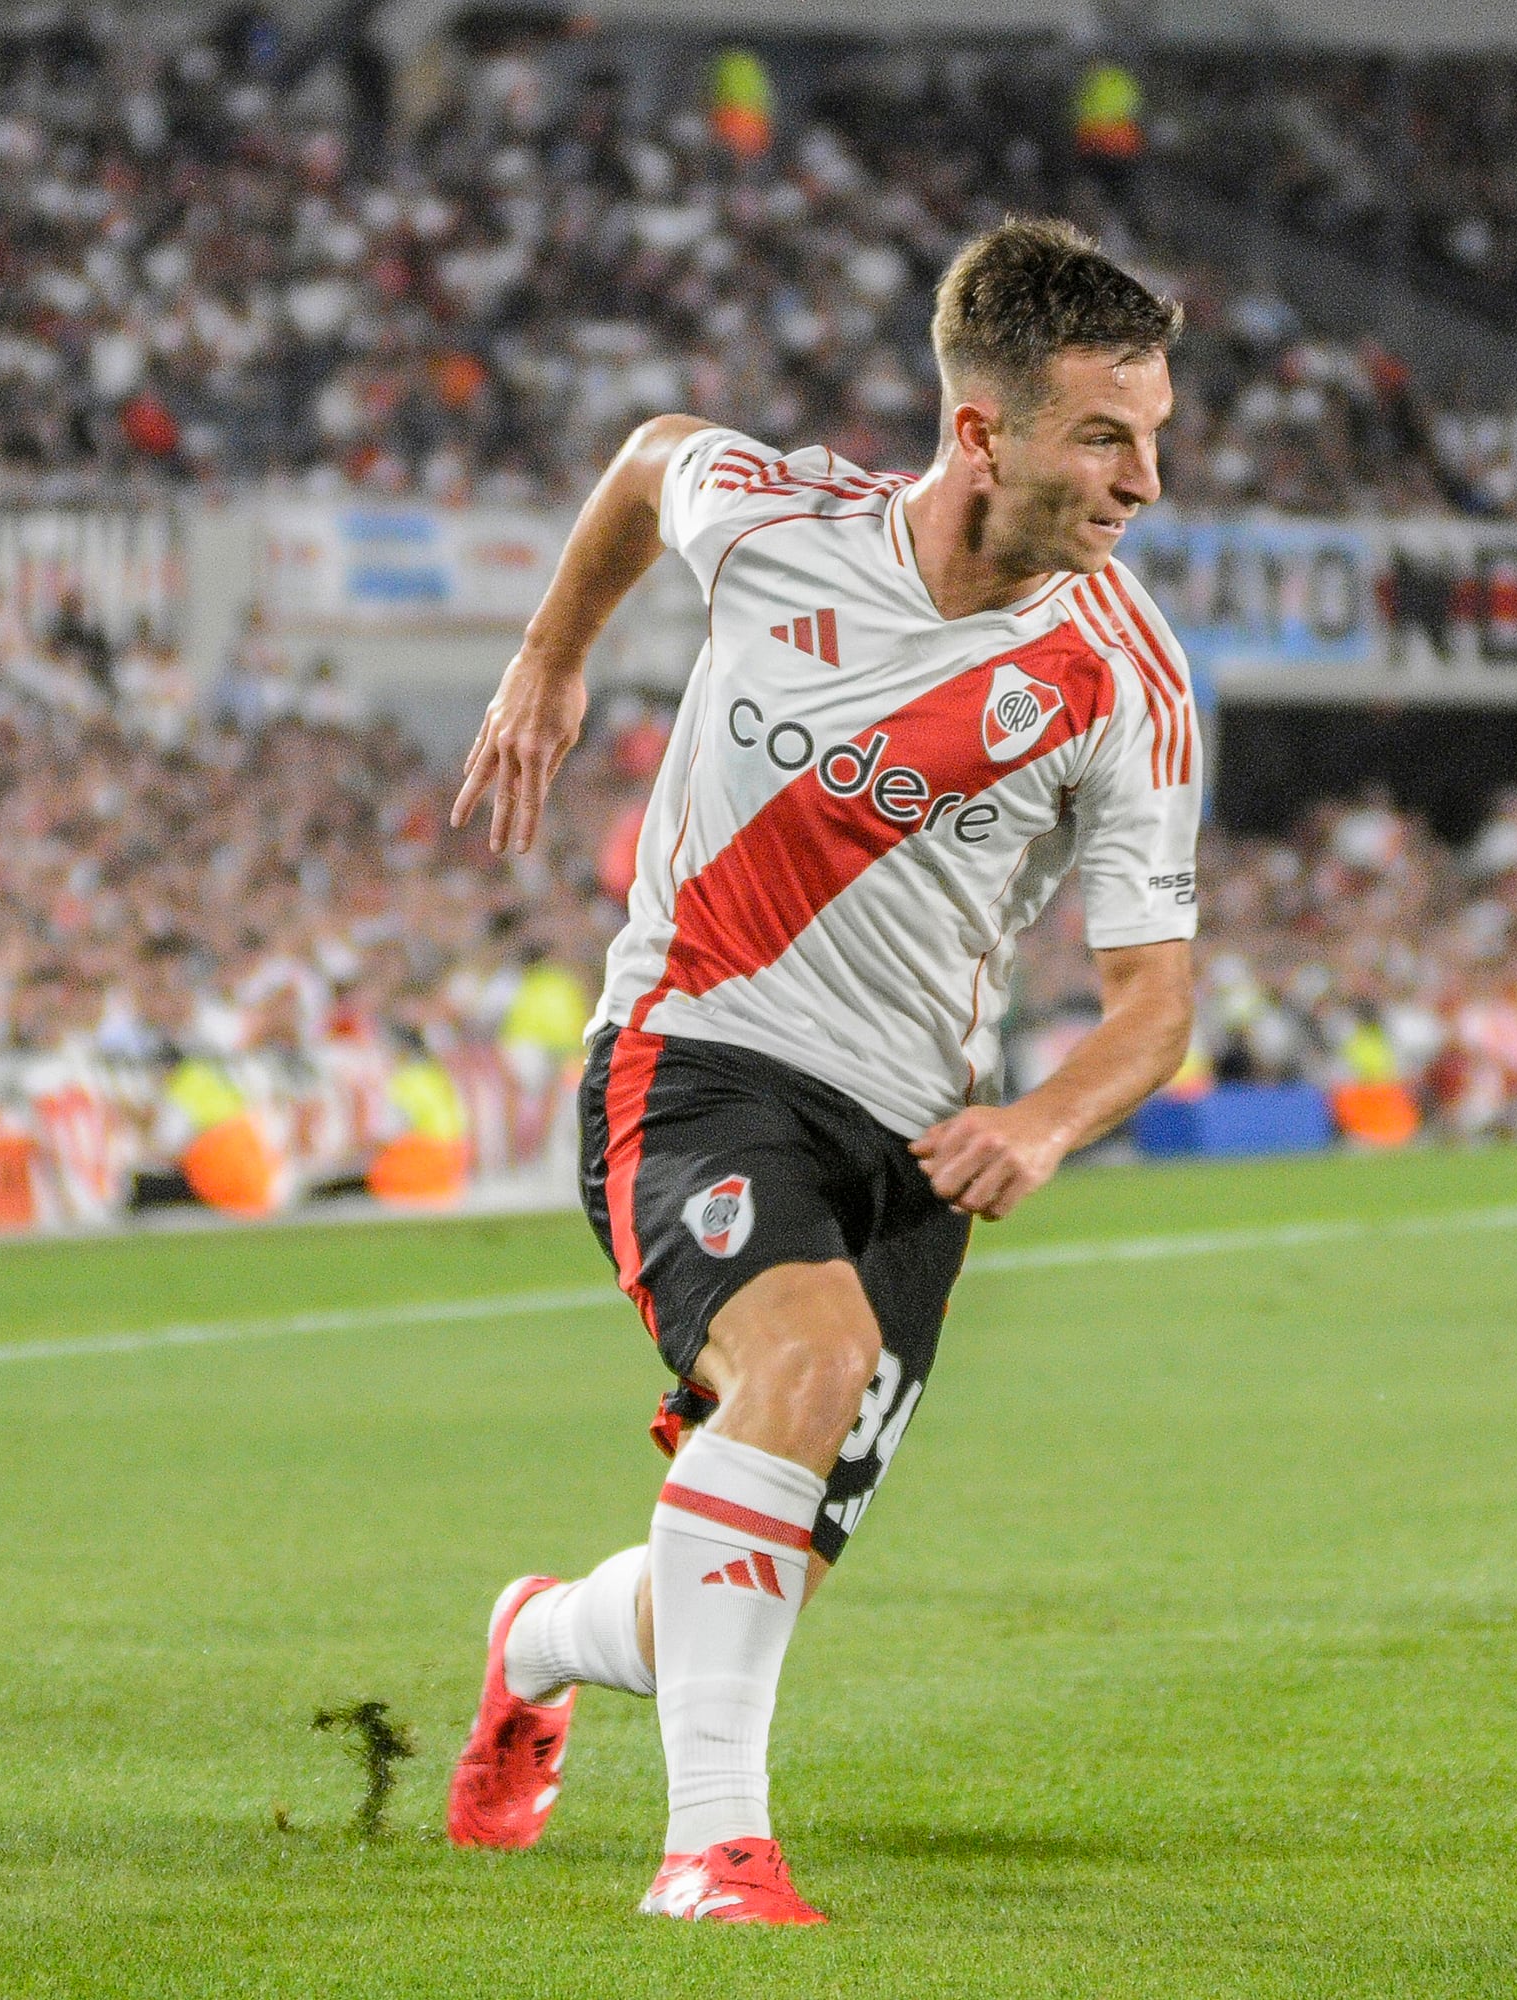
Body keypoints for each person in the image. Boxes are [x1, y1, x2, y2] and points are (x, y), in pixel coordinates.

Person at [439, 218, 1202, 1922]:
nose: (1146, 478)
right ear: (983, 432)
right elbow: (647, 464)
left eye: (1156, 433)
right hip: (692, 1057)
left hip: (913, 1145)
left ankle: (538, 1639)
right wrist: (552, 655)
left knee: (741, 1572)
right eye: (1107, 433)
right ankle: (712, 1857)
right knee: (808, 1363)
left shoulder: (1123, 680)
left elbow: (1157, 1001)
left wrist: (1052, 1117)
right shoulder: (785, 525)